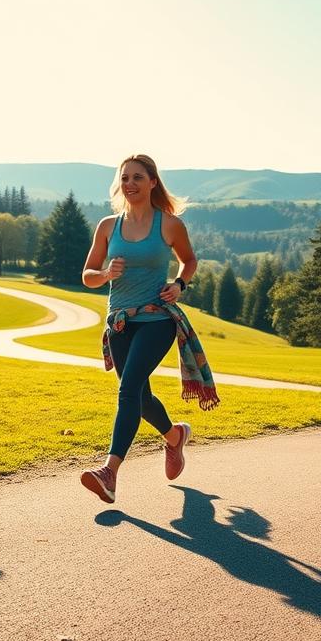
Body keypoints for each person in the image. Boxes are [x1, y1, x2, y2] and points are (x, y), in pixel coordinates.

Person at [79, 154, 219, 504]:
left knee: (127, 391)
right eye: (125, 178)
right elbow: (88, 275)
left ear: (153, 182)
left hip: (157, 320)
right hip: (120, 324)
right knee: (139, 398)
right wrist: (107, 274)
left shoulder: (168, 225)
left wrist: (180, 284)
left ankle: (109, 472)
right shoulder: (108, 226)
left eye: (138, 177)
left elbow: (189, 261)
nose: (130, 184)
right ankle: (174, 436)